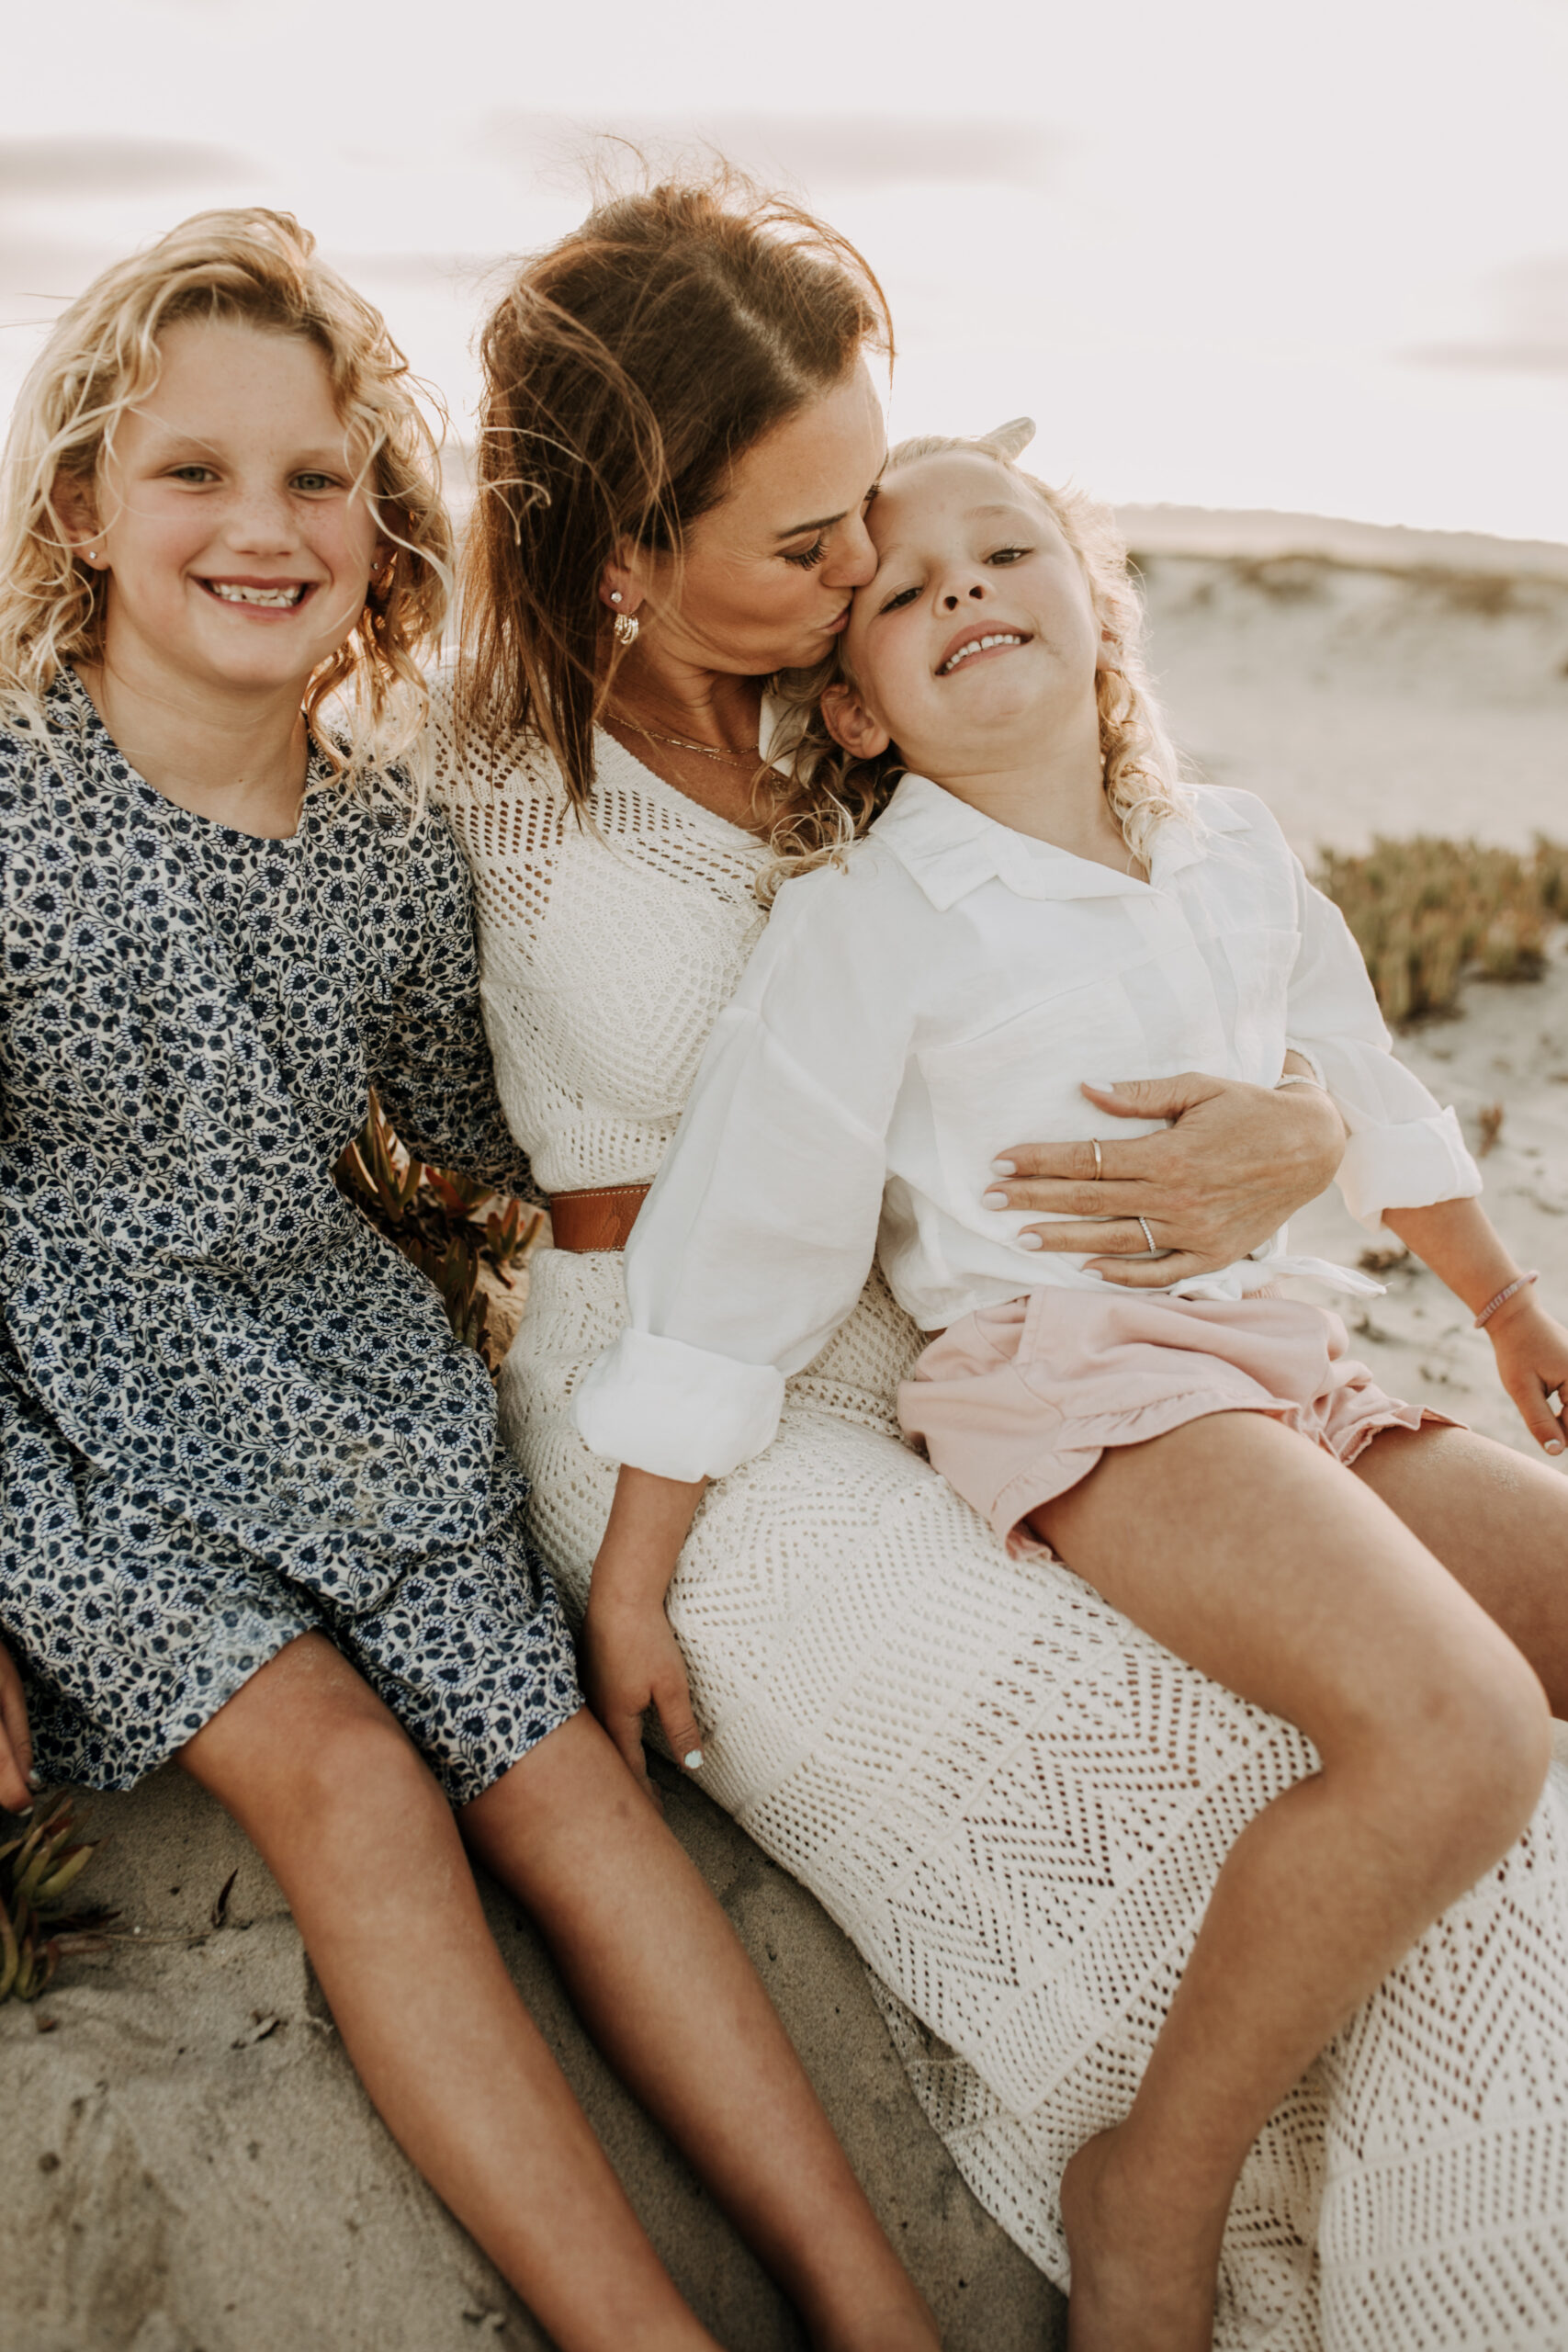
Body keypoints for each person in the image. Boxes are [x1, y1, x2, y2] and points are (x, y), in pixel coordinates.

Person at [439, 170, 1568, 2352]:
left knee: (1454, 1740)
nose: (876, 564)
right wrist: (621, 1553)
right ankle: (1171, 2190)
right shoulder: (491, 779)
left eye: (882, 506)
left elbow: (1205, 967)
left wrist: (1313, 1136)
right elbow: (733, 1225)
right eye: (820, 547)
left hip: (1083, 1331)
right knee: (1391, 1771)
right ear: (625, 553)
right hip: (746, 1397)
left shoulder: (890, 713)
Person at [0, 209, 942, 2352]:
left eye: (318, 477)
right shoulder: (7, 810)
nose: (266, 524)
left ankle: (867, 2302)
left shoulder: (390, 847)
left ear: (381, 517)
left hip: (343, 1383)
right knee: (350, 1782)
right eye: (196, 472)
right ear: (82, 506)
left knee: (561, 1785)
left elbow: (485, 1145)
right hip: (58, 1410)